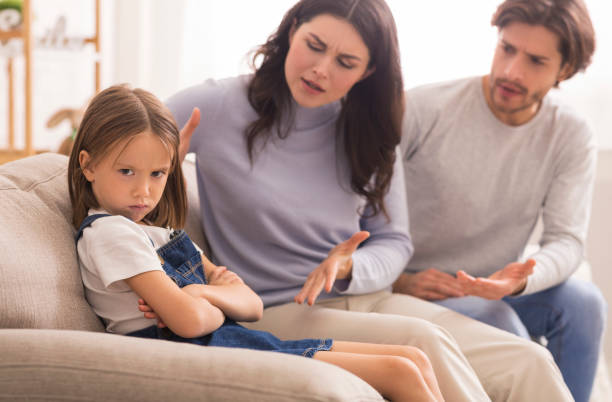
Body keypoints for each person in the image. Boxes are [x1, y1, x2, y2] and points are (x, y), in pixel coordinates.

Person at [168, 0, 573, 400]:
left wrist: (350, 266)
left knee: (528, 361)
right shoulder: (217, 105)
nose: (321, 70)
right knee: (423, 341)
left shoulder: (368, 129)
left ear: (368, 71)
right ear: (293, 30)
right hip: (276, 307)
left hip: (369, 298)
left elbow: (395, 242)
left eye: (346, 62)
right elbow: (118, 145)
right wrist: (160, 167)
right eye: (314, 44)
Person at [68, 84, 448, 402]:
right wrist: (207, 296)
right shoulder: (110, 233)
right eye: (127, 171)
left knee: (412, 356)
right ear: (88, 165)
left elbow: (249, 305)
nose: (144, 190)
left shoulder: (160, 235)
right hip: (195, 354)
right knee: (400, 370)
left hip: (231, 338)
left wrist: (198, 293)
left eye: (157, 173)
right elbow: (188, 322)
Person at [392, 0, 606, 401]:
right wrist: (398, 279)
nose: (511, 72)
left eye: (535, 61)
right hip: (420, 284)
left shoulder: (571, 134)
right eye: (507, 49)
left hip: (493, 284)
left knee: (584, 303)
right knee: (497, 318)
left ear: (564, 70)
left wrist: (524, 277)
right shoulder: (424, 108)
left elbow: (566, 240)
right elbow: (357, 206)